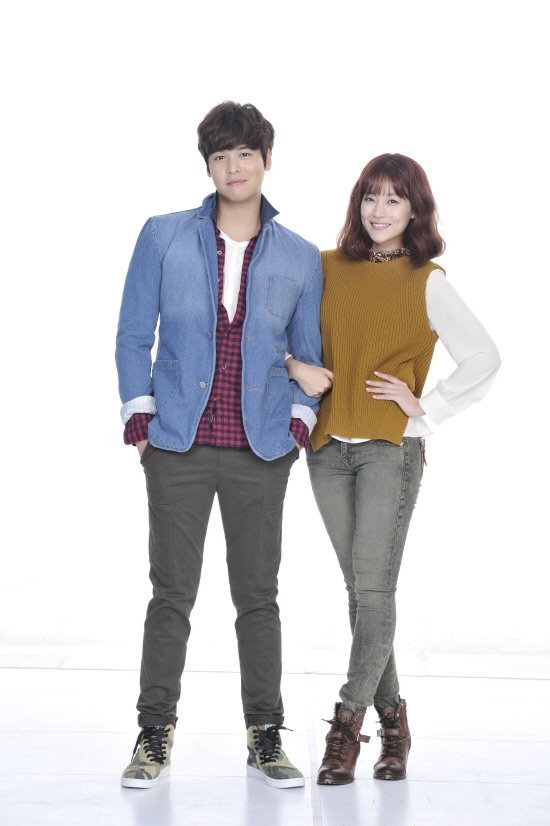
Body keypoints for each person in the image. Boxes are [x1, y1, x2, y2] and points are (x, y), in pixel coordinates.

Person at [115, 101, 323, 789]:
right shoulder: (164, 236)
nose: (234, 167)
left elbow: (310, 355)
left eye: (245, 154)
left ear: (267, 160)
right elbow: (132, 335)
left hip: (261, 449)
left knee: (258, 596)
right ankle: (154, 733)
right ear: (207, 166)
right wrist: (142, 423)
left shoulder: (299, 256)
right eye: (221, 156)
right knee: (171, 593)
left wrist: (297, 427)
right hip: (176, 443)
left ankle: (265, 736)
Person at [286, 153, 500, 785]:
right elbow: (281, 336)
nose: (379, 211)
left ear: (414, 210)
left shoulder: (426, 280)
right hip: (327, 448)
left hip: (389, 448)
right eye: (370, 197)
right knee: (361, 591)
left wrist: (426, 408)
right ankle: (396, 726)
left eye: (394, 199)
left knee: (374, 590)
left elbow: (484, 357)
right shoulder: (324, 268)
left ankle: (346, 727)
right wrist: (296, 367)